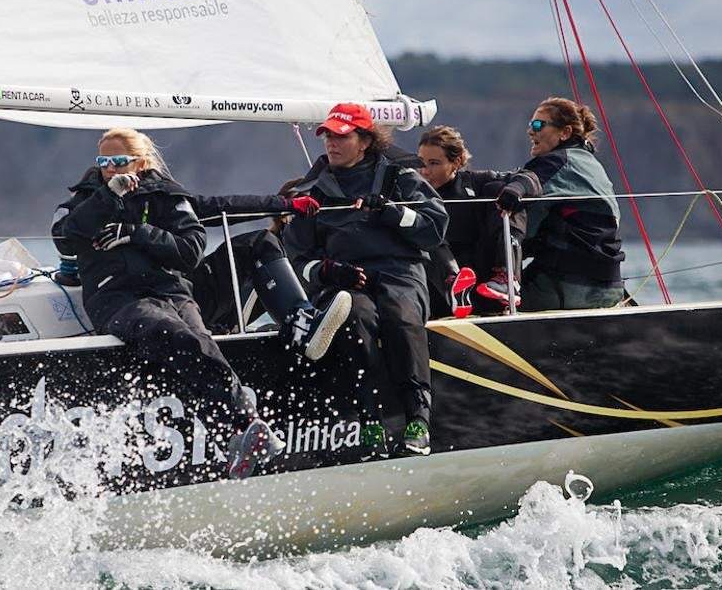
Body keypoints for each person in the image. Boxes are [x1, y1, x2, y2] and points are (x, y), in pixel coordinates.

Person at [51, 128, 284, 479]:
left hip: (172, 291)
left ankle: (245, 428)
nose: (111, 169)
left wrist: (137, 233)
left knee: (201, 340)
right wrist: (106, 198)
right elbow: (64, 239)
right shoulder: (84, 199)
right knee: (177, 337)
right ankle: (244, 424)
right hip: (117, 298)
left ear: (141, 162)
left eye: (119, 161)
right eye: (104, 162)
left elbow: (190, 250)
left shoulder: (166, 196)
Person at [282, 103, 448, 456]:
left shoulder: (400, 178)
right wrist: (325, 271)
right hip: (345, 280)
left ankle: (418, 417)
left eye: (341, 136)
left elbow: (434, 229)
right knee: (356, 320)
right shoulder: (311, 192)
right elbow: (297, 258)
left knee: (400, 316)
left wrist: (392, 213)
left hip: (399, 273)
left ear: (365, 140)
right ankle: (369, 420)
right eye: (327, 135)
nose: (331, 143)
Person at [190, 184, 353, 361]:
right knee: (262, 245)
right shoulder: (164, 200)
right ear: (285, 219)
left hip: (193, 293)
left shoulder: (172, 197)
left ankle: (302, 323)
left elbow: (222, 205)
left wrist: (284, 204)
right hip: (174, 300)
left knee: (261, 244)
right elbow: (218, 206)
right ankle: (299, 326)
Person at [503, 97, 626, 311]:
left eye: (538, 125)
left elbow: (522, 228)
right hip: (611, 288)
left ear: (565, 133)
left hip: (566, 288)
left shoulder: (553, 163)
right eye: (530, 125)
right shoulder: (593, 165)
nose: (530, 132)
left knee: (487, 299)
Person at [417, 126, 540, 316]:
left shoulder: (476, 181)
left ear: (456, 163)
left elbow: (529, 178)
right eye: (421, 163)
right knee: (420, 222)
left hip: (480, 275)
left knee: (500, 190)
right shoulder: (413, 191)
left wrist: (516, 190)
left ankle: (507, 278)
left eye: (433, 163)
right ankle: (453, 287)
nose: (424, 171)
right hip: (438, 283)